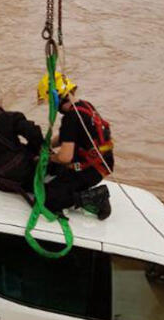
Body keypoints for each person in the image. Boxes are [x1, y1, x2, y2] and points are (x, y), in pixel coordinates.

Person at [39, 72, 113, 220]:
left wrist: (48, 157)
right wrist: (46, 143)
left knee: (46, 200)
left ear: (57, 97)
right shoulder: (85, 106)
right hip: (103, 162)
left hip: (89, 169)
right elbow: (67, 137)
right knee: (56, 179)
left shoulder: (70, 119)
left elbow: (65, 157)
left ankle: (95, 197)